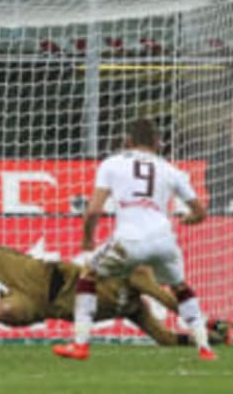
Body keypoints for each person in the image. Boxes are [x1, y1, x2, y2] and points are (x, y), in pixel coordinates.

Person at [0, 189, 233, 347]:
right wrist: (206, 322)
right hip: (43, 276)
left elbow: (166, 337)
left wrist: (212, 337)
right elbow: (169, 301)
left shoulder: (134, 310)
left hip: (43, 307)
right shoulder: (136, 273)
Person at [54, 118, 215, 361]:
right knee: (181, 288)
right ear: (158, 144)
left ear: (128, 142)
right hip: (163, 240)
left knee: (88, 275)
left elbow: (94, 210)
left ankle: (80, 344)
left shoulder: (112, 164)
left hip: (128, 241)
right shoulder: (172, 170)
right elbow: (200, 212)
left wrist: (88, 240)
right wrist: (190, 220)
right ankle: (205, 348)